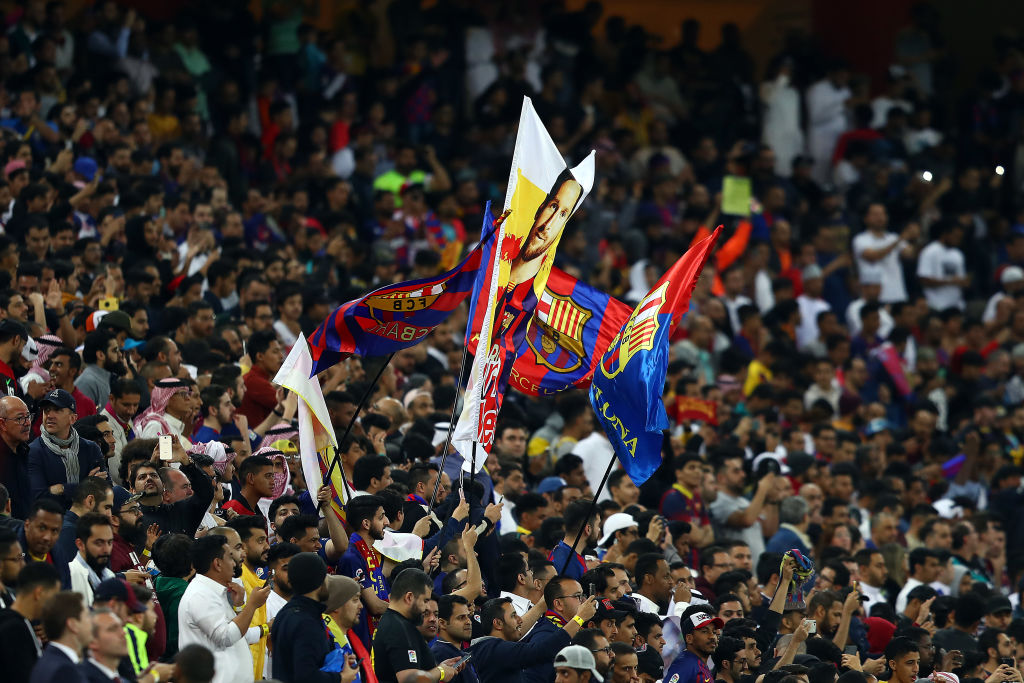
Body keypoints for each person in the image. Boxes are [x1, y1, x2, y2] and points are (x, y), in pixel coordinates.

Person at [177, 534, 271, 683]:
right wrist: (252, 605)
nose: (234, 563)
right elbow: (226, 637)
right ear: (218, 564)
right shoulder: (200, 595)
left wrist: (239, 607)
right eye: (230, 558)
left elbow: (239, 634)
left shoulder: (213, 591)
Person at [371, 568, 462, 683]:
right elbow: (409, 679)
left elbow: (413, 670)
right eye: (425, 601)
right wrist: (441, 672)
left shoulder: (397, 623)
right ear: (409, 597)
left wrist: (437, 668)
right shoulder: (398, 628)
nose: (426, 607)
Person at [27, 389, 107, 509]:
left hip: (90, 517)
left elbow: (106, 488)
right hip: (54, 519)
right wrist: (86, 486)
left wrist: (62, 488)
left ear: (73, 418)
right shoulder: (34, 451)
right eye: (46, 410)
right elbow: (39, 498)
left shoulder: (90, 448)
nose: (49, 415)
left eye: (57, 410)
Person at [269, 552, 340, 682]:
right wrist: (340, 678)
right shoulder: (306, 622)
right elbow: (306, 676)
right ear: (318, 581)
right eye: (325, 576)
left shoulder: (284, 613)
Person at [510, 170, 583, 285]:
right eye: (553, 206)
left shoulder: (542, 292)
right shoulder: (492, 258)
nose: (548, 225)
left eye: (563, 214)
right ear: (541, 207)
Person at [337, 495, 390, 650]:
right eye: (381, 517)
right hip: (359, 642)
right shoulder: (352, 557)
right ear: (366, 524)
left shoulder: (368, 552)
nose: (386, 522)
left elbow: (385, 596)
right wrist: (405, 611)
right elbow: (375, 606)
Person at [130, 443, 215, 537]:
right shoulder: (131, 521)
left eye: (154, 475)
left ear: (163, 485)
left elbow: (206, 492)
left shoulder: (182, 511)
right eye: (142, 477)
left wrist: (187, 462)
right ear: (133, 490)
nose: (149, 478)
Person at [225, 516, 271, 678]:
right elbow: (234, 633)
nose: (267, 546)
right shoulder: (236, 580)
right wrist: (268, 628)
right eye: (260, 541)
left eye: (266, 540)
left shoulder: (253, 578)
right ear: (242, 547)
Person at [0, 561, 62, 682]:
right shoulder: (14, 630)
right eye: (53, 596)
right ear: (39, 593)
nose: (54, 605)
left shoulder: (21, 622)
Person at [323, 574, 376, 683]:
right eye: (355, 600)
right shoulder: (324, 640)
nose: (361, 606)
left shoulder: (352, 638)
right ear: (337, 605)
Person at [30, 590, 93, 683]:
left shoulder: (50, 661)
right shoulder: (64, 671)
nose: (93, 622)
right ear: (73, 625)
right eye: (87, 616)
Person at [664, 607, 724, 683]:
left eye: (714, 632)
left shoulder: (698, 663)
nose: (712, 636)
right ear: (689, 638)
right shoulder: (686, 665)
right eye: (705, 631)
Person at [68, 512, 115, 604]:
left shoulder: (110, 575)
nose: (106, 549)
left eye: (109, 542)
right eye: (99, 543)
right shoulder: (70, 575)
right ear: (80, 544)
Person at [0, 395, 34, 519]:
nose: (28, 423)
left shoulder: (25, 452)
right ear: (2, 424)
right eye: (20, 418)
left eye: (28, 416)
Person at [432, 595, 478, 683]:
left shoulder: (459, 652)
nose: (469, 622)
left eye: (468, 616)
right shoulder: (440, 654)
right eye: (461, 617)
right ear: (442, 623)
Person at [548, 499, 597, 580]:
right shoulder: (569, 562)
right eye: (598, 525)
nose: (599, 530)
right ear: (588, 529)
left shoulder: (563, 552)